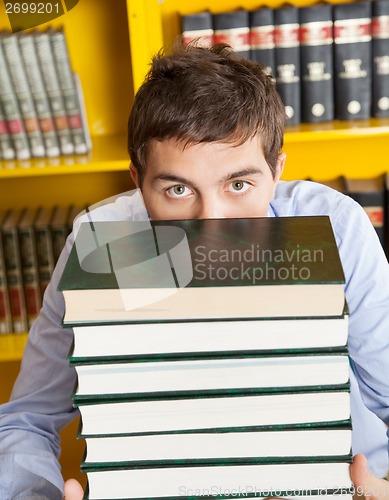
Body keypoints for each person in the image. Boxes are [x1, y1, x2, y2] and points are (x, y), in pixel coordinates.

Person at [0, 42, 388, 500]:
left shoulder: (337, 226)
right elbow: (27, 416)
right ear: (138, 181)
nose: (213, 224)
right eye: (179, 189)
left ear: (277, 170)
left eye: (239, 184)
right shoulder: (102, 244)